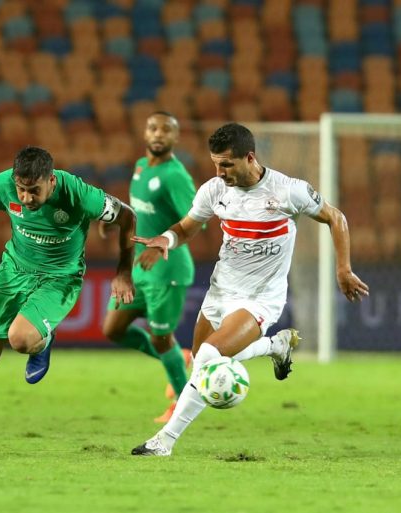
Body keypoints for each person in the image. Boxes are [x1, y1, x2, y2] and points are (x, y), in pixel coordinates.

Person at [130, 123, 369, 456]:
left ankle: (164, 442)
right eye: (216, 164)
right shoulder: (214, 190)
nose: (220, 172)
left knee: (210, 356)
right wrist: (166, 240)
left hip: (260, 298)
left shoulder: (288, 191)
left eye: (227, 164)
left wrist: (343, 268)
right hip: (220, 291)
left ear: (250, 158)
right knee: (200, 363)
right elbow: (187, 227)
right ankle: (274, 345)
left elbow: (336, 217)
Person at [0, 146, 136, 452]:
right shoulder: (2, 184)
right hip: (12, 272)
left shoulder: (79, 194)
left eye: (34, 191)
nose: (26, 198)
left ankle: (43, 340)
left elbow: (128, 217)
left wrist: (123, 272)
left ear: (51, 181)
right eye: (22, 190)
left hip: (58, 279)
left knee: (20, 339)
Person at [99, 111, 195, 423]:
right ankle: (178, 358)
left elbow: (197, 221)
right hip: (139, 268)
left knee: (160, 337)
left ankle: (181, 404)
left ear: (176, 137)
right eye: (153, 128)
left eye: (166, 130)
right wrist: (118, 220)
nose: (159, 134)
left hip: (167, 268)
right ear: (145, 133)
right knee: (113, 330)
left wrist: (161, 244)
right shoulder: (141, 167)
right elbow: (141, 210)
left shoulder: (175, 176)